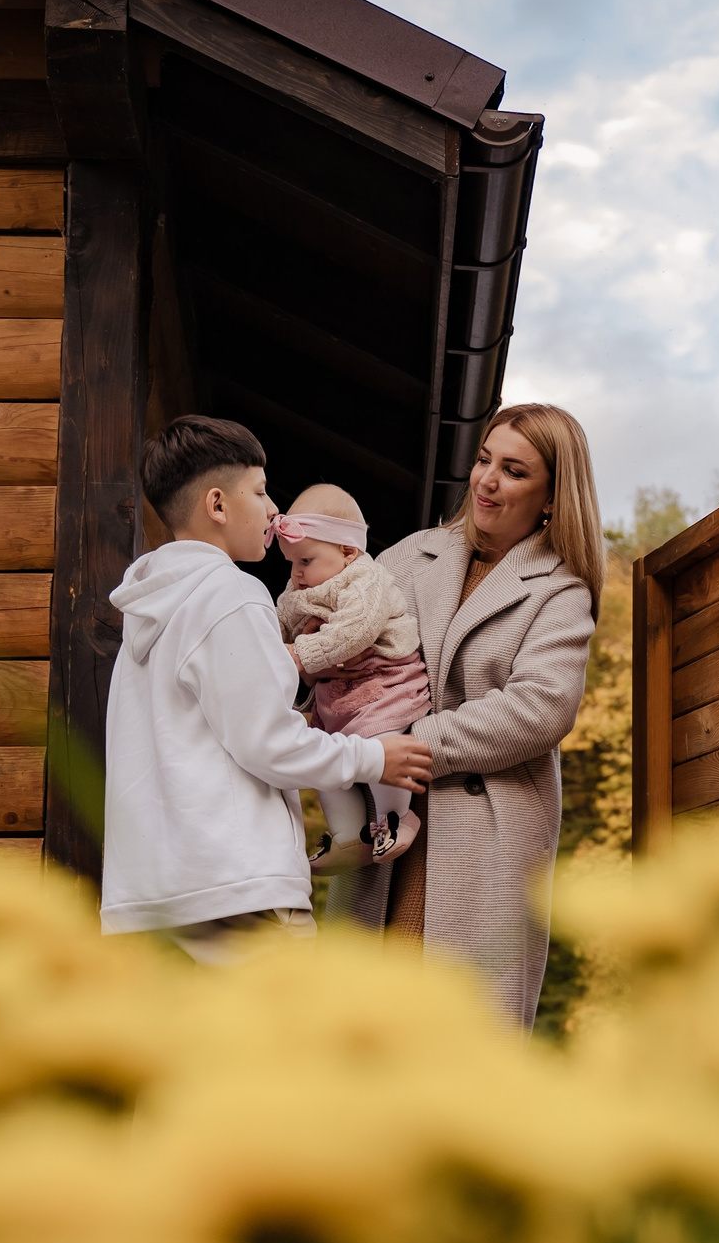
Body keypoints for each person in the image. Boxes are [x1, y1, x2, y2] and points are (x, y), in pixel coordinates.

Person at [99, 416, 433, 962]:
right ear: (217, 505)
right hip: (239, 892)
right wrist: (374, 757)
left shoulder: (147, 611)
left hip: (146, 902)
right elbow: (268, 743)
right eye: (259, 491)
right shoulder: (232, 593)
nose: (274, 509)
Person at [336, 403, 605, 1025]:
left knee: (455, 1033)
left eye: (514, 471)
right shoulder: (412, 555)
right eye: (485, 460)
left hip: (482, 834)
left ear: (551, 498)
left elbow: (540, 706)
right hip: (383, 823)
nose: (487, 480)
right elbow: (344, 637)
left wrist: (410, 740)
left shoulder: (560, 591)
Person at [272, 482, 433, 871]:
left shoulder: (365, 580)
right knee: (326, 766)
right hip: (336, 699)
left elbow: (355, 632)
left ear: (347, 551)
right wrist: (276, 647)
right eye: (291, 563)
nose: (296, 573)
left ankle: (396, 818)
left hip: (382, 685)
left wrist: (299, 654)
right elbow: (278, 627)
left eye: (305, 560)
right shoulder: (298, 589)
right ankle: (349, 837)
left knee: (380, 749)